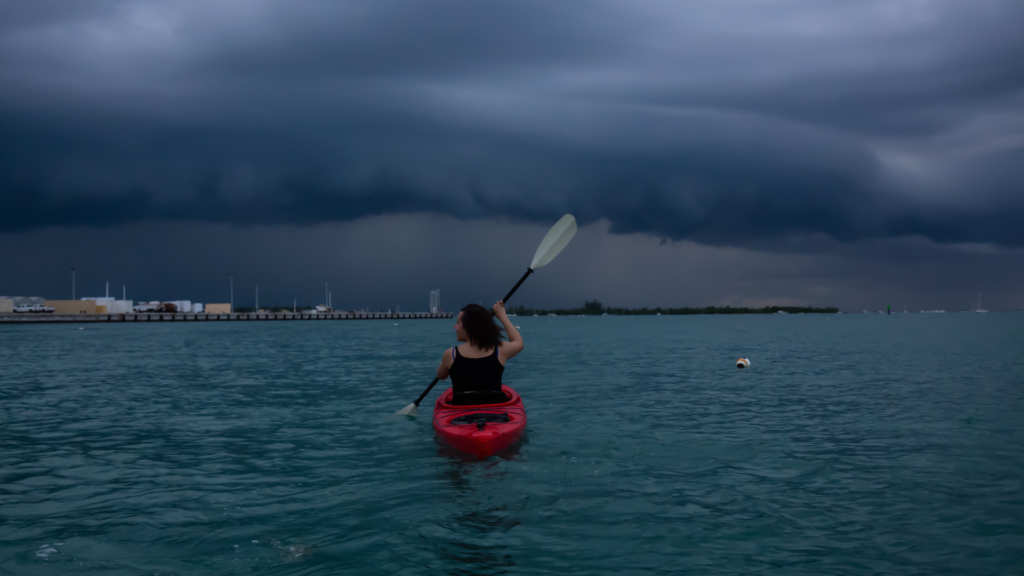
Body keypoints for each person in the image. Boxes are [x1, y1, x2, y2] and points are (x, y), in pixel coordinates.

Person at [436, 300, 524, 405]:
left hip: (461, 415)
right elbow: (519, 343)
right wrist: (502, 316)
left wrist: (443, 365)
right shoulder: (499, 349)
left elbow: (441, 376)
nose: (455, 327)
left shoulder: (450, 354)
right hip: (495, 414)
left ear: (469, 327)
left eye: (458, 323)